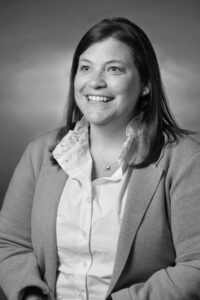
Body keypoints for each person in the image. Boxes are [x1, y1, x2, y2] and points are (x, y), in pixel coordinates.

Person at [0, 17, 200, 300]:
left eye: (114, 69)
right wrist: (31, 295)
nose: (95, 82)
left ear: (145, 84)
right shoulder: (39, 153)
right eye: (85, 68)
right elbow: (9, 244)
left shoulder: (186, 159)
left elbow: (195, 266)